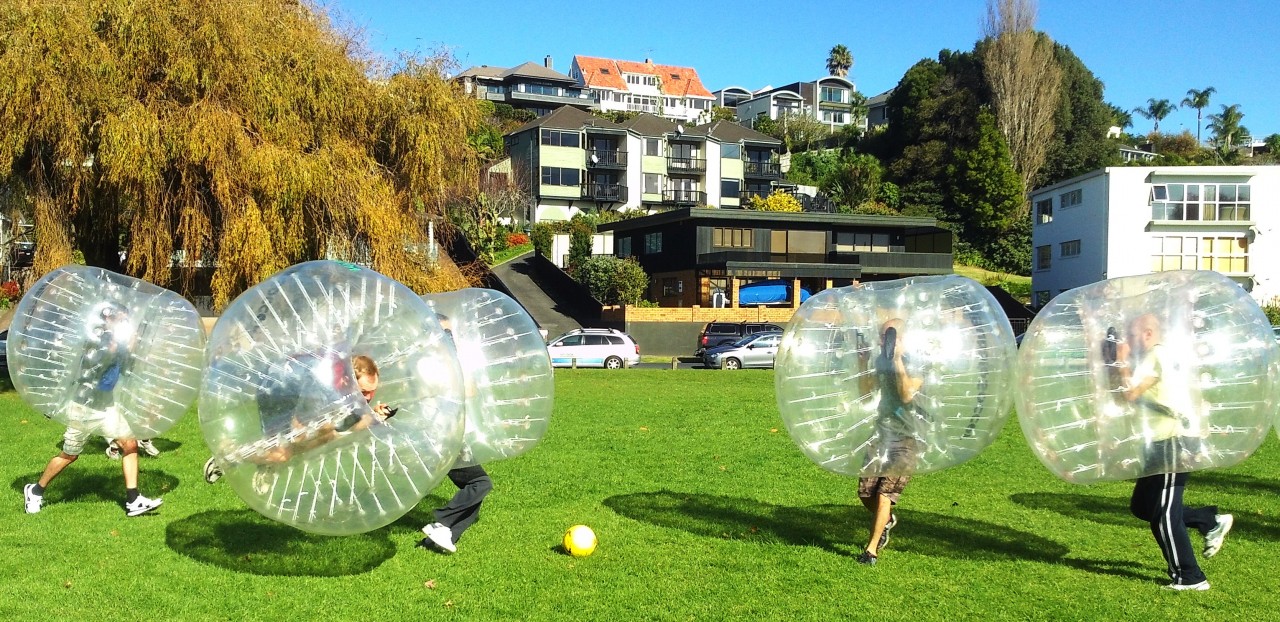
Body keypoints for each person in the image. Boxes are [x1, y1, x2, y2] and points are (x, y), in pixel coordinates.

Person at [1115, 313, 1233, 591]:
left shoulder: (1156, 355)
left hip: (1173, 440)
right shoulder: (1165, 355)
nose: (1129, 342)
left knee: (1164, 512)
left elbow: (1130, 393)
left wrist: (1120, 359)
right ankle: (1209, 519)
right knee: (1143, 506)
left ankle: (1190, 577)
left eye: (1132, 336)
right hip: (1163, 439)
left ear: (1146, 334)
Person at [23, 304, 161, 516]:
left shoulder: (119, 342)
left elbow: (128, 364)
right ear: (108, 319)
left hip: (106, 405)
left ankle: (133, 500)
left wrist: (131, 344)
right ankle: (35, 490)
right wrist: (115, 345)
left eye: (125, 320)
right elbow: (94, 364)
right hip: (84, 406)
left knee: (130, 444)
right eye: (120, 319)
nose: (123, 323)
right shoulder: (96, 339)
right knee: (70, 455)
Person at [203, 354, 394, 482]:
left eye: (372, 391)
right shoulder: (322, 386)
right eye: (364, 392)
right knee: (295, 446)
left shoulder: (341, 379)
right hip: (274, 391)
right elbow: (308, 433)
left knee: (318, 436)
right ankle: (228, 454)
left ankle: (265, 460)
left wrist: (372, 415)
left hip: (290, 385)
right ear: (347, 380)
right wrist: (367, 420)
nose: (368, 397)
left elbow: (352, 411)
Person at [421, 312, 493, 555]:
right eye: (446, 334)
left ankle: (444, 535)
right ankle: (440, 521)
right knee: (480, 483)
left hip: (452, 434)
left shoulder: (437, 361)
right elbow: (468, 391)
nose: (451, 339)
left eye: (452, 334)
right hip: (445, 436)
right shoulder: (430, 364)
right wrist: (459, 360)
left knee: (475, 492)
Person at [854, 319, 924, 566]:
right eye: (884, 338)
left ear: (903, 340)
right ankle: (887, 520)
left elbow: (906, 395)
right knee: (865, 493)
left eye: (891, 337)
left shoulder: (916, 363)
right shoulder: (879, 361)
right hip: (881, 435)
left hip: (907, 438)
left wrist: (897, 361)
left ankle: (871, 551)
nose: (886, 343)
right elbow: (865, 393)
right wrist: (862, 363)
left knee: (885, 493)